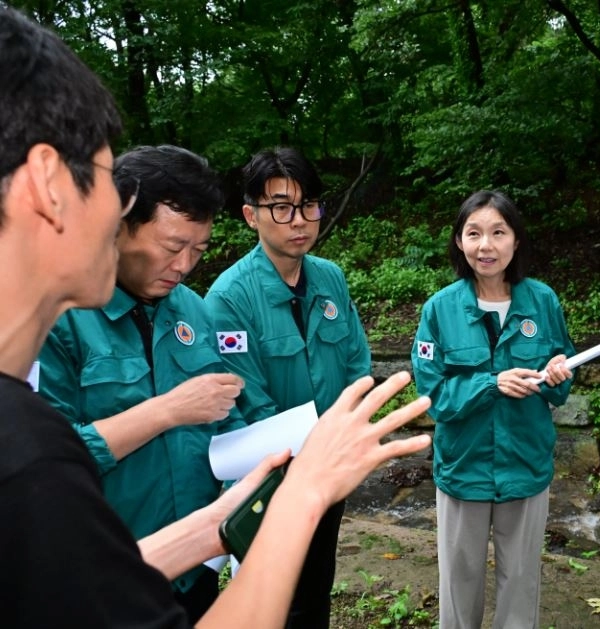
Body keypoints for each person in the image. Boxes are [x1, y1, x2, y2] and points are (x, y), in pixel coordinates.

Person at [0, 6, 430, 627]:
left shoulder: (201, 312)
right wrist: (302, 492)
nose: (113, 212)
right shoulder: (28, 439)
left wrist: (217, 529)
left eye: (196, 251)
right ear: (47, 184)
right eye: (103, 180)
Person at [34, 143, 249, 621]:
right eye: (174, 247)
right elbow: (48, 465)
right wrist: (166, 411)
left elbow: (224, 414)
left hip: (198, 563)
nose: (186, 265)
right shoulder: (59, 318)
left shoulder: (194, 309)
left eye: (199, 249)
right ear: (119, 224)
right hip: (107, 569)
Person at [204, 147, 371, 627]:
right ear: (250, 216)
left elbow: (357, 365)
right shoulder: (229, 298)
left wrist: (342, 442)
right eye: (280, 207)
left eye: (308, 205)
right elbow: (248, 402)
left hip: (329, 473)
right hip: (271, 482)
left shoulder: (330, 278)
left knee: (318, 588)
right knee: (276, 602)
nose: (298, 220)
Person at [411, 190, 575, 629]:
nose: (486, 245)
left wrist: (559, 376)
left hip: (526, 464)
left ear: (516, 241)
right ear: (460, 242)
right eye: (474, 233)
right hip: (464, 468)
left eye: (498, 233)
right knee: (459, 584)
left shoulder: (542, 302)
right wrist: (491, 383)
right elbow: (432, 396)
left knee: (520, 583)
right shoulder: (439, 310)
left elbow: (561, 380)